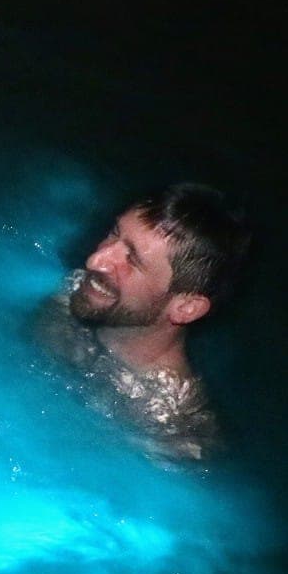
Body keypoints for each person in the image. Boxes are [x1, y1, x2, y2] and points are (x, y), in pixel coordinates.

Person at [33, 183, 251, 464]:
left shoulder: (173, 430)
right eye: (114, 233)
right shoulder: (79, 291)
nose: (96, 260)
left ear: (185, 308)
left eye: (132, 260)